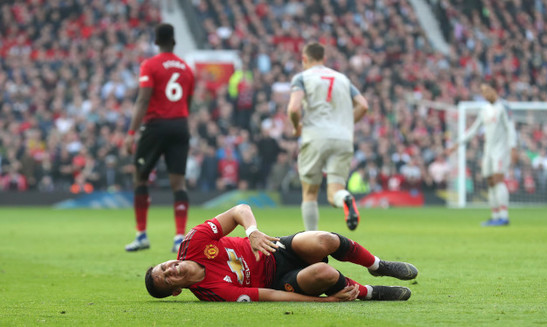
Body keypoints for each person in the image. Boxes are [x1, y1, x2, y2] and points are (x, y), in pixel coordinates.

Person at [145, 204, 418, 302]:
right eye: (167, 278)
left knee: (323, 239)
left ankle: (377, 264)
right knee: (324, 272)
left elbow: (239, 210)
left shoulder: (193, 242)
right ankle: (370, 292)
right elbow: (269, 295)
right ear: (176, 291)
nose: (171, 270)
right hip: (280, 279)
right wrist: (321, 303)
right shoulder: (210, 292)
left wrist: (252, 231)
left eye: (164, 266)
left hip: (277, 248)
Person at [124, 23, 195, 252]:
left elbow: (143, 100)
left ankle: (142, 234)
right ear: (174, 42)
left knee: (140, 177)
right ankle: (179, 238)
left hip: (155, 126)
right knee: (178, 183)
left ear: (155, 42)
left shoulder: (150, 65)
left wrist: (132, 133)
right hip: (180, 125)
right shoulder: (186, 69)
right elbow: (188, 104)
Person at [287, 42, 369, 231]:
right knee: (335, 193)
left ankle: (311, 241)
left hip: (315, 137)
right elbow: (363, 105)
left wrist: (296, 126)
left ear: (304, 59)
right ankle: (345, 198)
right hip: (343, 139)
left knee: (309, 193)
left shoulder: (302, 77)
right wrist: (346, 124)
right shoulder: (342, 78)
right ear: (324, 59)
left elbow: (293, 108)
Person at [446, 83, 518, 226]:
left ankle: (504, 216)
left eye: (488, 90)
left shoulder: (503, 107)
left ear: (495, 90)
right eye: (483, 92)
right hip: (488, 150)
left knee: (498, 180)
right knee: (490, 182)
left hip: (501, 150)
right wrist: (457, 144)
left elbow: (510, 128)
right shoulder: (484, 110)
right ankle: (495, 215)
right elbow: (473, 129)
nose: (486, 94)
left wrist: (513, 148)